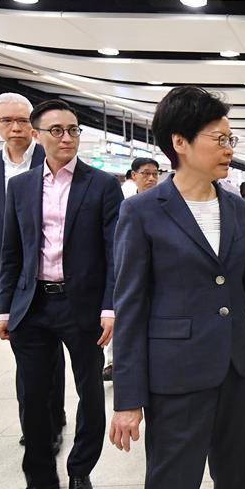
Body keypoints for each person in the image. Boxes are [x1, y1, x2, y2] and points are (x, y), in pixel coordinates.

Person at [109, 86, 245, 489]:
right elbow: (131, 307)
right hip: (177, 374)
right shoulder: (143, 211)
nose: (228, 149)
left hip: (239, 368)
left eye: (230, 139)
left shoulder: (236, 208)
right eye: (218, 139)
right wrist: (128, 399)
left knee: (235, 485)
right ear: (180, 142)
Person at [0, 99, 123, 489]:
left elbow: (114, 252)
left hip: (81, 305)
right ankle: (39, 479)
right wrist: (4, 308)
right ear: (37, 136)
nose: (66, 137)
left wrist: (110, 306)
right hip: (32, 305)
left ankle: (80, 471)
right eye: (56, 131)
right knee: (33, 396)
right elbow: (11, 251)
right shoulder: (21, 187)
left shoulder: (101, 185)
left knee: (90, 390)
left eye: (73, 130)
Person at [0, 93, 66, 444]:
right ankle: (38, 423)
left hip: (50, 273)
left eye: (23, 120)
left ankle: (50, 423)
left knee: (49, 352)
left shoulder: (53, 160)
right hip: (9, 275)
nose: (16, 128)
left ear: (34, 126)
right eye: (7, 121)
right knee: (27, 355)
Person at [102, 157, 161, 382]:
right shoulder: (124, 203)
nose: (151, 178)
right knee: (123, 315)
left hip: (155, 272)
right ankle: (113, 362)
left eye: (155, 174)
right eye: (146, 173)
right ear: (134, 175)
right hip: (127, 269)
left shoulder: (164, 203)